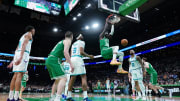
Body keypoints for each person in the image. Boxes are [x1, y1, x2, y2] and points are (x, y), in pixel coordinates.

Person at [7, 26, 35, 101]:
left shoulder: (22, 36)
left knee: (15, 75)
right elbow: (24, 45)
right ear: (32, 30)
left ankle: (10, 97)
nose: (34, 31)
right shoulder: (29, 34)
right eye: (34, 30)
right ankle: (16, 97)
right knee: (20, 75)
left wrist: (13, 61)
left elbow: (17, 49)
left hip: (17, 53)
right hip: (23, 54)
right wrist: (21, 57)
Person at [46, 31, 74, 101]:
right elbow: (65, 52)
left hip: (49, 59)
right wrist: (71, 64)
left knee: (57, 80)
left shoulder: (62, 41)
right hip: (54, 60)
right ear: (71, 36)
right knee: (64, 78)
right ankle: (57, 98)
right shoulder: (68, 41)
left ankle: (52, 98)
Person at [67, 34, 94, 101]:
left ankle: (69, 96)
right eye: (80, 35)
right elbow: (81, 52)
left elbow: (70, 54)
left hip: (72, 59)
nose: (81, 36)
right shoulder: (82, 42)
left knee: (72, 78)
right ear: (79, 38)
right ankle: (85, 97)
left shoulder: (73, 44)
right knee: (83, 76)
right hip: (78, 59)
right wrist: (89, 56)